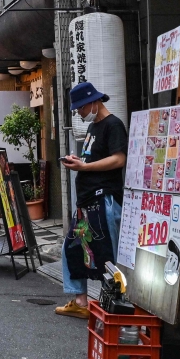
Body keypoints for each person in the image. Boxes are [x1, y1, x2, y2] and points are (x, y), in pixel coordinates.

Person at [55, 82, 127, 319]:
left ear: (93, 102)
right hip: (88, 201)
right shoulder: (94, 127)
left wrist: (84, 166)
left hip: (103, 198)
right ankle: (80, 301)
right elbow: (92, 158)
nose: (78, 113)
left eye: (80, 109)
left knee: (106, 252)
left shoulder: (113, 125)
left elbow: (118, 159)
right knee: (73, 249)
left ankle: (115, 304)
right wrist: (79, 161)